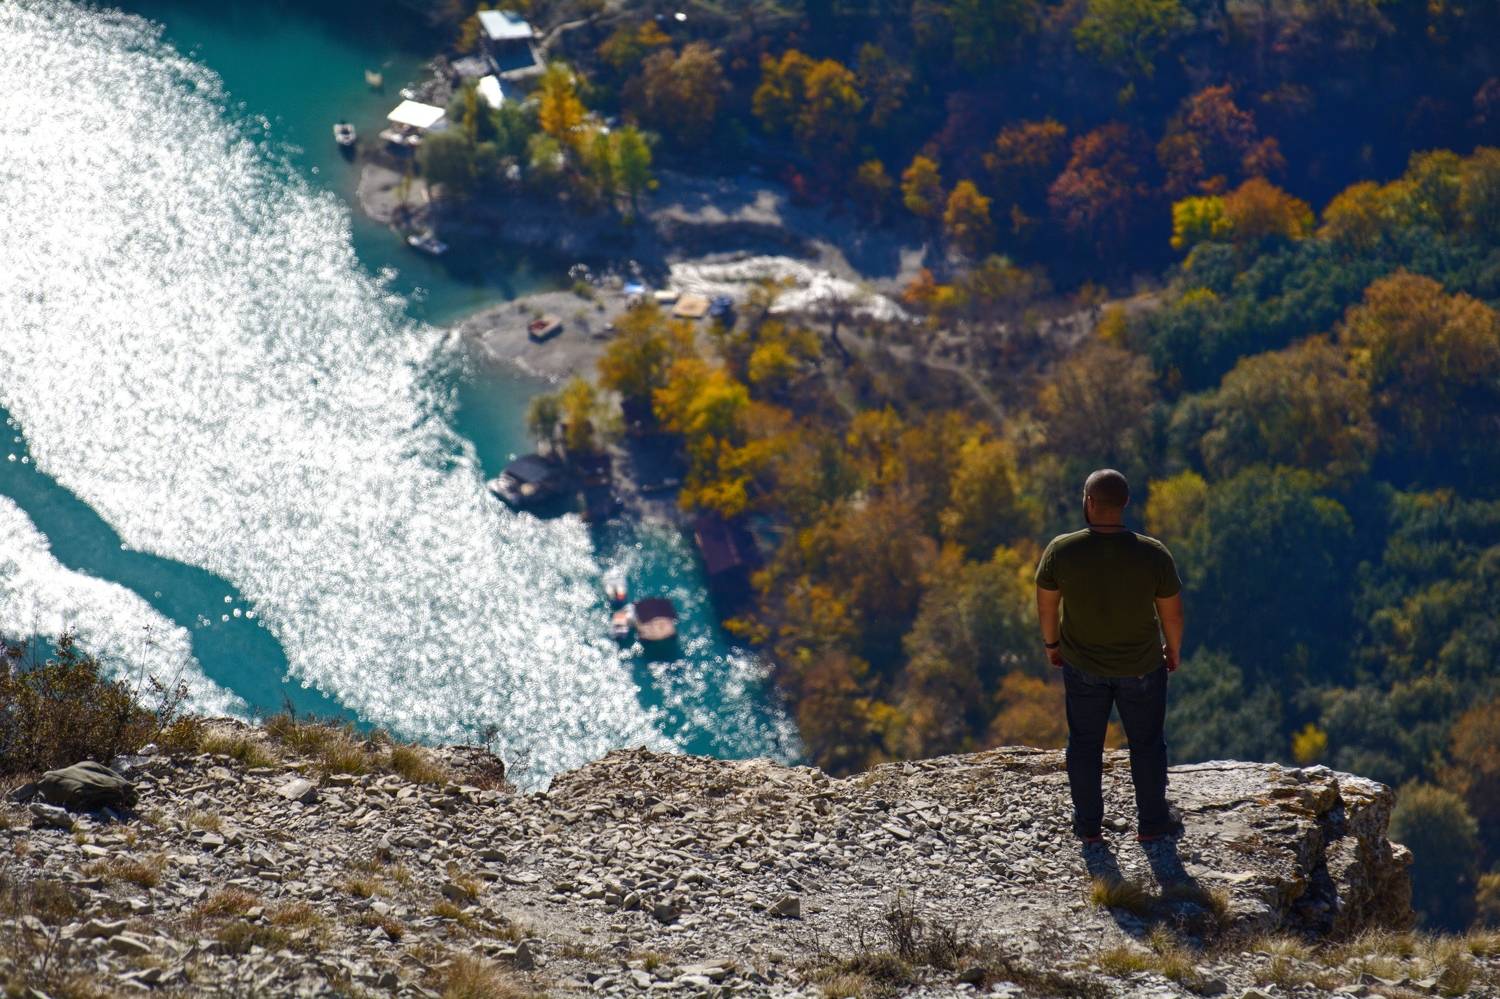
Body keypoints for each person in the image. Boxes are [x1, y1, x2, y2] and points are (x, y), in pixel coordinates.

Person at [1034, 468, 1185, 843]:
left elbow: (1047, 606)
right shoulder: (1153, 553)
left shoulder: (1061, 551)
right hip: (1142, 667)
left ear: (1088, 502)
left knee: (1085, 745)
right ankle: (1152, 825)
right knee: (1147, 744)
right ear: (1125, 503)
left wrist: (1052, 645)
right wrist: (1172, 649)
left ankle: (1088, 828)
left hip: (1082, 666)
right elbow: (1172, 614)